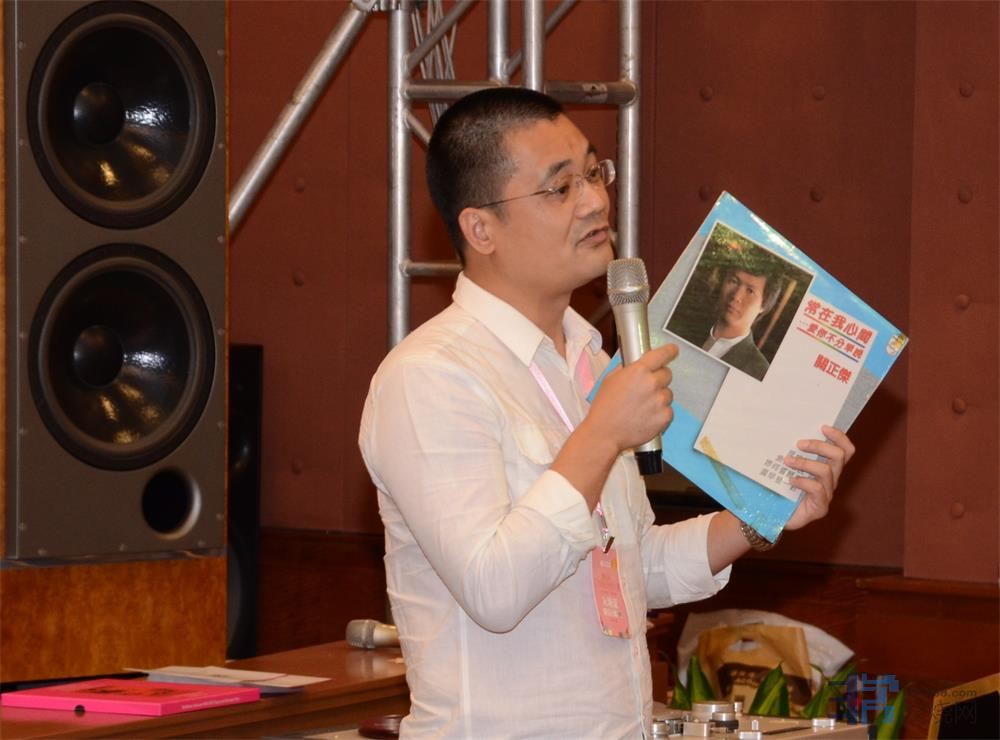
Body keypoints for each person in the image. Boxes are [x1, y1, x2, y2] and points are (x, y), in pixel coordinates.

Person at [359, 87, 854, 738]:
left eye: (595, 173)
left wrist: (761, 514)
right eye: (560, 188)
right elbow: (494, 589)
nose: (595, 200)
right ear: (481, 229)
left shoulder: (589, 361)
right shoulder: (430, 377)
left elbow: (633, 564)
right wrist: (601, 434)